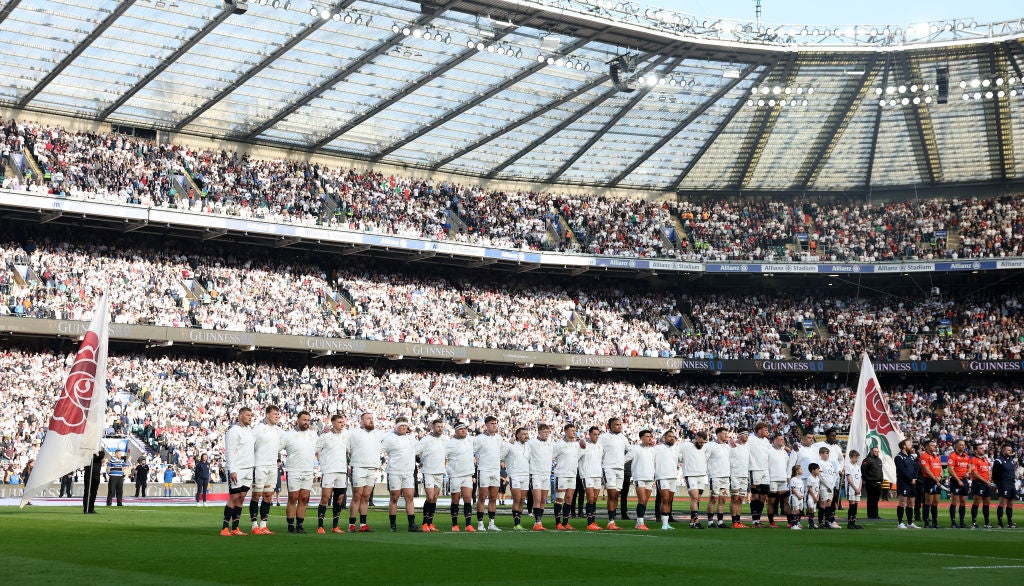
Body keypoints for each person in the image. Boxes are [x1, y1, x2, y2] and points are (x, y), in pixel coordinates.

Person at [279, 411, 317, 534]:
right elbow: (277, 448)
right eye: (304, 420)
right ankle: (290, 525)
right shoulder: (288, 435)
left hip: (308, 470)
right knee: (293, 498)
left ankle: (300, 525)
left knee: (304, 498)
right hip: (293, 470)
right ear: (298, 420)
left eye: (308, 420)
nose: (306, 422)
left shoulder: (313, 434)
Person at [382, 417, 421, 532]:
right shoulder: (389, 438)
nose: (403, 427)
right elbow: (380, 449)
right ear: (396, 426)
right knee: (394, 497)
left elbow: (419, 451)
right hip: (394, 471)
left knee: (409, 497)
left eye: (405, 425)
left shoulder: (411, 439)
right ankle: (393, 524)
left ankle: (411, 524)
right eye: (401, 425)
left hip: (408, 472)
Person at [221, 406, 255, 536]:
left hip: (248, 469)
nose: (250, 417)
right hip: (237, 469)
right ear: (240, 416)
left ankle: (235, 527)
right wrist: (232, 470)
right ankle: (225, 527)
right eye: (248, 415)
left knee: (241, 498)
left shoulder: (249, 431)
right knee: (234, 497)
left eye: (251, 415)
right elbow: (229, 451)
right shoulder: (234, 431)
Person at [250, 405, 284, 534]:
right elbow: (249, 445)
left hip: (272, 467)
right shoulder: (258, 429)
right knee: (257, 495)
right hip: (259, 466)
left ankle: (263, 525)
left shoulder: (278, 431)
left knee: (268, 496)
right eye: (275, 414)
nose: (277, 416)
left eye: (278, 414)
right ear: (267, 414)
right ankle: (254, 526)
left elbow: (289, 439)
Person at [349, 412, 385, 532]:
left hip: (372, 468)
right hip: (358, 467)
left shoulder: (378, 433)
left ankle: (363, 524)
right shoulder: (353, 433)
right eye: (368, 419)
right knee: (357, 496)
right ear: (361, 421)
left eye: (372, 418)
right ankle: (352, 524)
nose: (371, 420)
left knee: (366, 497)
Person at [315, 413, 350, 534]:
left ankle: (335, 526)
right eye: (340, 422)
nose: (342, 424)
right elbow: (316, 450)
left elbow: (349, 451)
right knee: (325, 497)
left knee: (339, 499)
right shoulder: (325, 437)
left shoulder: (346, 436)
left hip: (341, 471)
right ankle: (320, 526)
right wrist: (322, 463)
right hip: (329, 471)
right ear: (333, 423)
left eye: (343, 422)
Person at [597, 417, 629, 530]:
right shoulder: (603, 437)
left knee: (616, 495)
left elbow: (630, 451)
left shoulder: (623, 438)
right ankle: (610, 521)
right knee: (611, 494)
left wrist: (622, 460)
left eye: (620, 424)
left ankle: (612, 521)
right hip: (609, 468)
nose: (619, 426)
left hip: (620, 469)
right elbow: (595, 448)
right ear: (609, 426)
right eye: (616, 424)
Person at [473, 415, 503, 532]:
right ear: (486, 425)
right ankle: (480, 523)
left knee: (493, 498)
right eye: (492, 424)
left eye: (496, 423)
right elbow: (472, 452)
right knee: (482, 497)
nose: (494, 425)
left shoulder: (499, 438)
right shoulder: (479, 438)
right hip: (484, 470)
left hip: (495, 471)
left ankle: (491, 523)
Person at [416, 419, 447, 532]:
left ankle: (430, 523)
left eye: (441, 427)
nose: (440, 428)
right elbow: (415, 451)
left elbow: (446, 454)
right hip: (428, 471)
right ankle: (424, 523)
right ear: (432, 427)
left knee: (434, 498)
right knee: (429, 497)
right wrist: (420, 460)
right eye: (438, 426)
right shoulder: (425, 440)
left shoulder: (444, 439)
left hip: (440, 471)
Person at [445, 421, 476, 531]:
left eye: (465, 429)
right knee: (455, 499)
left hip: (467, 474)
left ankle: (468, 524)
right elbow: (442, 456)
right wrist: (447, 469)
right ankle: (455, 524)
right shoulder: (449, 443)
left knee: (468, 498)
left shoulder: (471, 440)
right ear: (456, 431)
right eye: (461, 429)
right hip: (455, 475)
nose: (464, 431)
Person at [552, 423, 583, 530]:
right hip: (561, 475)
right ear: (565, 432)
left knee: (569, 498)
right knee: (559, 498)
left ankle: (566, 522)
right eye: (572, 430)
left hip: (572, 475)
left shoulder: (576, 445)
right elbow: (550, 457)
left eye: (575, 430)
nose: (574, 432)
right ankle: (558, 523)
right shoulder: (559, 445)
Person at [500, 426, 531, 531]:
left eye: (526, 434)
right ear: (517, 435)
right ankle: (516, 523)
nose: (526, 436)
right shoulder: (510, 445)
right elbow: (500, 456)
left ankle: (519, 522)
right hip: (515, 475)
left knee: (522, 500)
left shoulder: (528, 446)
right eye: (523, 434)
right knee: (517, 499)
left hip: (526, 475)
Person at [527, 423, 555, 531]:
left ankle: (539, 521)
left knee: (543, 499)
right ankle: (537, 522)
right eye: (544, 432)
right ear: (539, 432)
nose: (546, 434)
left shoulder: (551, 444)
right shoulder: (532, 443)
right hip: (535, 474)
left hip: (546, 474)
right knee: (537, 499)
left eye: (548, 432)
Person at [576, 425, 604, 531]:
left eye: (598, 434)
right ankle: (589, 523)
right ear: (590, 434)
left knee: (595, 499)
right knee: (590, 498)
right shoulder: (584, 446)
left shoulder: (600, 446)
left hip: (598, 474)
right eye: (594, 434)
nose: (596, 436)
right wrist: (579, 440)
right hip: (587, 475)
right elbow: (576, 457)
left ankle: (593, 520)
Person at [653, 429, 682, 530]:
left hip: (673, 477)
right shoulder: (657, 448)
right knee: (664, 499)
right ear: (664, 437)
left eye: (674, 437)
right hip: (662, 476)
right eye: (670, 436)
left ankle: (667, 523)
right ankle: (664, 523)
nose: (672, 438)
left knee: (669, 500)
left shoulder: (676, 449)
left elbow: (681, 459)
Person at [628, 429, 656, 531]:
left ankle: (638, 522)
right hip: (639, 477)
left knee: (645, 502)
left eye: (650, 436)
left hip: (650, 478)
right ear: (641, 438)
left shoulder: (653, 450)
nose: (649, 438)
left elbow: (655, 463)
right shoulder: (635, 449)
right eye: (647, 436)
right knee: (642, 500)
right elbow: (625, 459)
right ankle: (640, 523)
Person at [681, 431, 708, 529]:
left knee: (698, 499)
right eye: (700, 442)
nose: (702, 444)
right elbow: (675, 452)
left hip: (701, 476)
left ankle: (692, 521)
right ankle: (696, 520)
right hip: (690, 475)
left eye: (703, 443)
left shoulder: (705, 447)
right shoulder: (686, 446)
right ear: (696, 438)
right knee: (695, 498)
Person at [704, 427, 731, 528]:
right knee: (713, 499)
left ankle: (720, 521)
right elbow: (704, 460)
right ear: (718, 435)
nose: (726, 435)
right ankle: (710, 522)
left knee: (723, 499)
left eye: (726, 433)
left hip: (726, 476)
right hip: (715, 476)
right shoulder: (710, 446)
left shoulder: (727, 447)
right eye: (724, 434)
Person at [747, 422, 772, 528]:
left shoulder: (766, 441)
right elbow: (740, 443)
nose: (767, 432)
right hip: (754, 469)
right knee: (755, 495)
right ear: (759, 430)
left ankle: (758, 520)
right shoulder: (751, 439)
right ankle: (754, 521)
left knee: (763, 496)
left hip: (765, 471)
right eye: (765, 430)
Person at [894, 439, 920, 529]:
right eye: (909, 444)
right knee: (902, 502)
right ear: (904, 446)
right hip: (903, 482)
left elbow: (916, 467)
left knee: (911, 503)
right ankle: (900, 523)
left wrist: (915, 478)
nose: (911, 446)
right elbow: (902, 471)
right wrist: (910, 479)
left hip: (912, 482)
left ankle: (910, 523)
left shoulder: (911, 457)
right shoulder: (898, 457)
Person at [946, 439, 971, 528]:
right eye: (961, 445)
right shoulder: (952, 456)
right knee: (954, 501)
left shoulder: (966, 456)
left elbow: (969, 467)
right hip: (955, 481)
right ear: (956, 446)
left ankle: (961, 522)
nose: (963, 446)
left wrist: (968, 472)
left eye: (964, 445)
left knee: (963, 502)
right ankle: (953, 522)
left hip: (964, 481)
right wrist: (958, 480)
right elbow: (950, 470)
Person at [813, 446, 840, 529]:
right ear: (821, 454)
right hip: (824, 487)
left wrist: (832, 485)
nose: (827, 455)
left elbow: (834, 475)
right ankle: (821, 522)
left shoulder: (830, 464)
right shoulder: (819, 463)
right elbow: (820, 476)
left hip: (831, 487)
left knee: (829, 504)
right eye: (826, 453)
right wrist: (828, 485)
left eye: (828, 453)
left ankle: (827, 522)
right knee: (823, 504)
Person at [729, 429, 751, 529]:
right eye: (745, 435)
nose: (747, 436)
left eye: (748, 434)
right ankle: (734, 522)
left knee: (741, 499)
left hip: (744, 476)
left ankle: (738, 521)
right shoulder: (732, 446)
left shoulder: (747, 446)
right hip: (734, 475)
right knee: (735, 498)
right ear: (740, 435)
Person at [969, 443, 995, 529]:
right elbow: (975, 474)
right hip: (978, 483)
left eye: (983, 448)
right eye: (980, 448)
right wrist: (986, 481)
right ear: (976, 450)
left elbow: (988, 471)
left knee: (987, 503)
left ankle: (987, 522)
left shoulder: (985, 459)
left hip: (986, 483)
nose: (982, 449)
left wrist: (989, 480)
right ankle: (974, 522)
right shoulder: (973, 460)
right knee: (976, 502)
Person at [767, 434, 790, 528]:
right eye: (780, 439)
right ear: (775, 440)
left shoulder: (784, 452)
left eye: (783, 439)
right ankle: (771, 522)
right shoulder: (768, 451)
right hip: (772, 479)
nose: (782, 441)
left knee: (787, 500)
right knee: (772, 501)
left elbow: (788, 465)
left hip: (783, 479)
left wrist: (788, 476)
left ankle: (790, 521)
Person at [918, 439, 942, 529]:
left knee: (935, 502)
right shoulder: (924, 456)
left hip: (937, 480)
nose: (934, 447)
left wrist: (940, 477)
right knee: (928, 501)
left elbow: (941, 469)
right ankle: (926, 521)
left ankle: (935, 522)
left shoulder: (936, 456)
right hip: (929, 480)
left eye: (935, 445)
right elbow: (926, 470)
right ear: (927, 447)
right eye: (932, 445)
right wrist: (935, 479)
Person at [992, 443, 1017, 528]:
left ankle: (1010, 523)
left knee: (1010, 505)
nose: (1010, 451)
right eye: (1008, 450)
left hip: (1012, 484)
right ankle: (1000, 523)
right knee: (1002, 504)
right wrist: (998, 484)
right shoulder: (998, 461)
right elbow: (994, 475)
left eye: (1011, 450)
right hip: (1003, 485)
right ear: (1003, 451)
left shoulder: (1011, 460)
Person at [861, 446, 884, 519]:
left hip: (878, 483)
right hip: (871, 482)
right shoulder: (867, 460)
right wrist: (867, 479)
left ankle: (875, 515)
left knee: (876, 500)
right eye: (875, 451)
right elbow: (863, 471)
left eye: (877, 451)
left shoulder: (879, 460)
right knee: (871, 499)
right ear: (871, 452)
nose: (877, 453)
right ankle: (871, 515)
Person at [844, 450, 864, 529]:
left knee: (855, 506)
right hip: (852, 489)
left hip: (857, 489)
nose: (857, 459)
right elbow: (849, 478)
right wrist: (855, 488)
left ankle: (854, 522)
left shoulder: (858, 466)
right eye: (855, 457)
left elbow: (860, 478)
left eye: (857, 458)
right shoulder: (848, 466)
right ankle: (850, 523)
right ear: (851, 457)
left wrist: (859, 488)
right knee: (851, 505)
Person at [82, 449, 105, 514]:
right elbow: (87, 458)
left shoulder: (101, 452)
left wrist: (95, 452)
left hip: (96, 474)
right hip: (88, 473)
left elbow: (100, 457)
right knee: (87, 491)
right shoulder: (87, 451)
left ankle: (91, 508)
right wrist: (91, 452)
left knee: (94, 492)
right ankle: (86, 508)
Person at [788, 464, 805, 530]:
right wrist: (798, 495)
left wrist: (802, 495)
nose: (802, 470)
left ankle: (797, 523)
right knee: (794, 510)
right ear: (797, 471)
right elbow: (793, 489)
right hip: (795, 497)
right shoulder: (793, 479)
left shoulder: (800, 480)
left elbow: (802, 489)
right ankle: (793, 525)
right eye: (800, 469)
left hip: (800, 497)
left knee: (798, 511)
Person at [805, 462, 821, 529]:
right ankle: (810, 523)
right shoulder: (810, 478)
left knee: (813, 510)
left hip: (815, 497)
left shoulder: (817, 479)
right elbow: (810, 489)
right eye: (817, 469)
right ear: (813, 470)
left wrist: (817, 497)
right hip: (810, 496)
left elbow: (818, 489)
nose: (819, 470)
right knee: (811, 509)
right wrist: (814, 497)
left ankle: (812, 523)